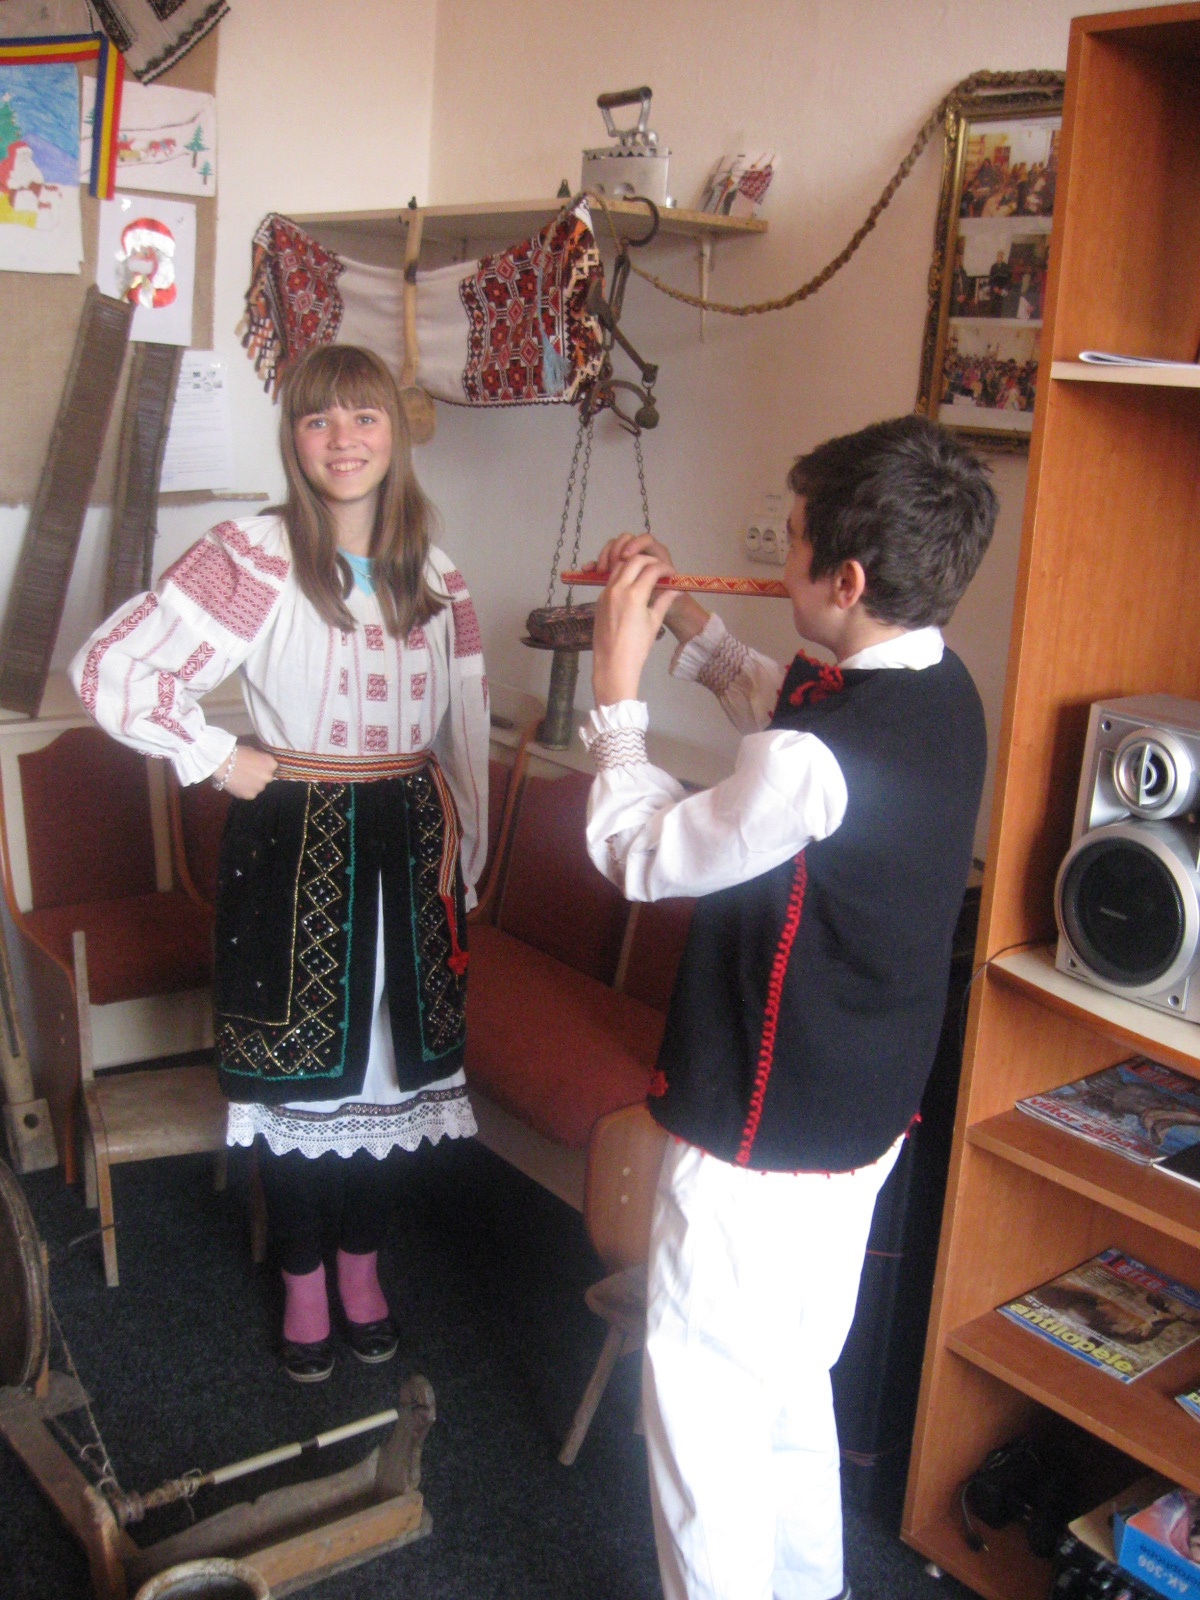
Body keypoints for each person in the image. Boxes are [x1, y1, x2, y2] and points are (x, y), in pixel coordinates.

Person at [580, 414, 998, 1600]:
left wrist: (615, 693)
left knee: (703, 1416)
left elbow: (640, 853)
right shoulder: (940, 685)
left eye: (796, 540)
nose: (782, 554)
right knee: (786, 1383)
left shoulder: (818, 760)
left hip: (759, 1149)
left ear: (846, 582)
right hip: (858, 1122)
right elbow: (797, 727)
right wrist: (692, 629)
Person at [70, 344, 488, 1382]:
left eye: (363, 416)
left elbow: (465, 726)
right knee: (301, 1085)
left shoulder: (437, 571)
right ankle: (303, 1277)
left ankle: (361, 1268)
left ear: (394, 433)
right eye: (317, 420)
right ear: (293, 440)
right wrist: (219, 755)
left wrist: (465, 860)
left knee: (391, 1077)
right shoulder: (253, 553)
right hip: (296, 840)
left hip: (411, 847)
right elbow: (111, 667)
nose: (343, 440)